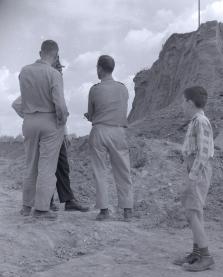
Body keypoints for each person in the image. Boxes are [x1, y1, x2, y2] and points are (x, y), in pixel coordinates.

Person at [13, 56, 89, 213]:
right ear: (52, 66)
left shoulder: (55, 83)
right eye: (58, 68)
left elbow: (59, 110)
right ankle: (47, 203)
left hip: (56, 131)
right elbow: (17, 104)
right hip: (49, 130)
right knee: (46, 168)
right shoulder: (42, 85)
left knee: (61, 166)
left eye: (61, 69)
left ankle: (67, 201)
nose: (61, 71)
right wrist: (31, 115)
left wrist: (65, 134)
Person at [17, 40, 69, 219]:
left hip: (29, 120)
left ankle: (26, 207)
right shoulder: (54, 74)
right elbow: (60, 105)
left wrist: (29, 116)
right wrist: (62, 122)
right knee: (47, 166)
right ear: (55, 56)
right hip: (49, 121)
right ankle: (41, 209)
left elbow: (21, 100)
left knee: (30, 164)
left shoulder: (24, 72)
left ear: (40, 53)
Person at [85, 55, 133, 221]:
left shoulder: (94, 89)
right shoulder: (123, 88)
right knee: (123, 170)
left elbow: (91, 115)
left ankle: (104, 210)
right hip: (119, 131)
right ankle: (127, 209)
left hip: (99, 131)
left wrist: (91, 116)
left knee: (100, 171)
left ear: (99, 68)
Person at [173, 86, 215, 272]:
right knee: (195, 212)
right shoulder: (195, 121)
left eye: (183, 102)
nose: (182, 106)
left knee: (192, 212)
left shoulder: (201, 121)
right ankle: (197, 252)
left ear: (190, 103)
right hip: (194, 168)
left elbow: (203, 153)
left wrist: (192, 176)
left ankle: (205, 256)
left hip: (198, 169)